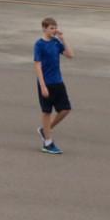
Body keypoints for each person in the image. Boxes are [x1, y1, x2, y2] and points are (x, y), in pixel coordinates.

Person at [34, 18, 74, 154]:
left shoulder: (56, 42)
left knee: (65, 109)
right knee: (47, 111)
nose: (54, 30)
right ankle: (48, 143)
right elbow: (37, 65)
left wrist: (63, 39)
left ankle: (45, 129)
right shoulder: (39, 45)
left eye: (55, 28)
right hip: (46, 83)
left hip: (58, 82)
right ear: (44, 28)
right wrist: (42, 85)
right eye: (51, 28)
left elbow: (70, 55)